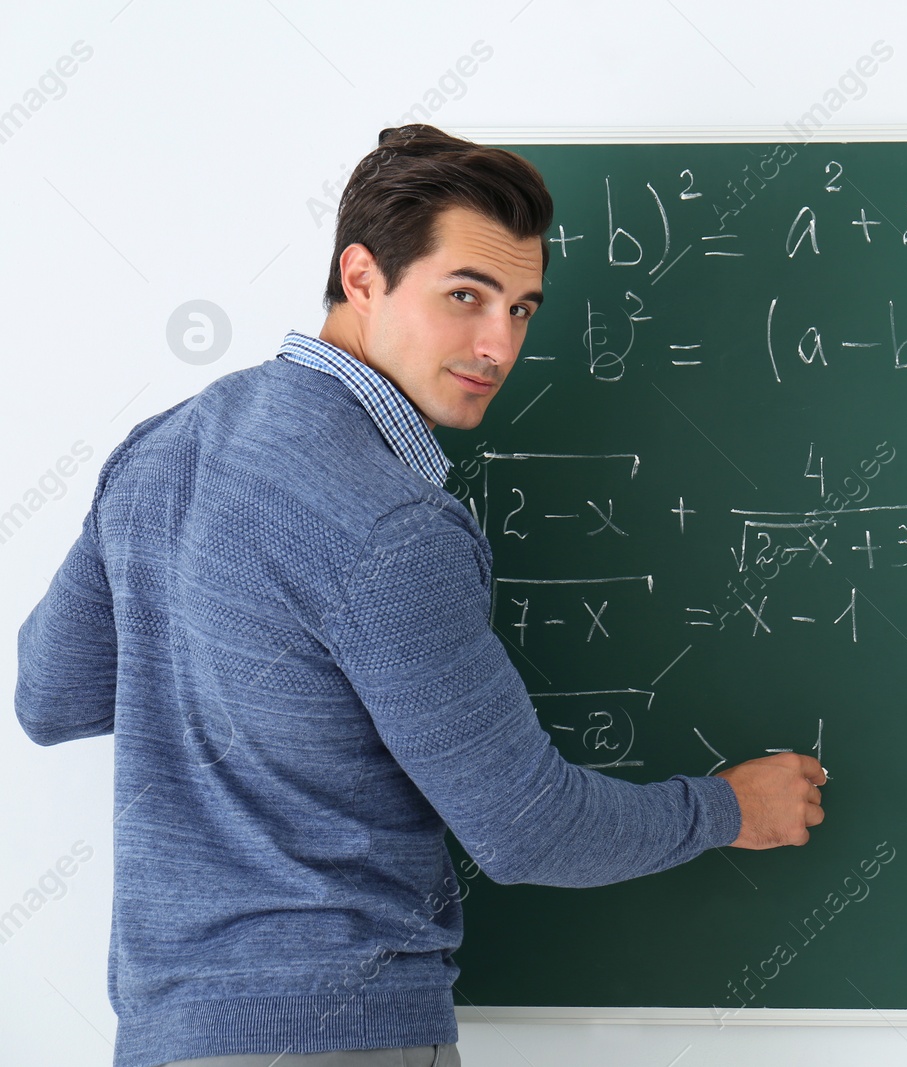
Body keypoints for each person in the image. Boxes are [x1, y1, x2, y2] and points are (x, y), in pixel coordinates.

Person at [14, 124, 826, 1067]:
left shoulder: (162, 447)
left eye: (523, 309)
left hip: (165, 1037)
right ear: (361, 277)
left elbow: (49, 696)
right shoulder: (390, 523)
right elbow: (526, 829)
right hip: (340, 1035)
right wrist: (729, 808)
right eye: (466, 296)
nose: (499, 343)